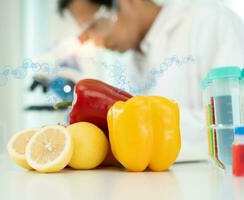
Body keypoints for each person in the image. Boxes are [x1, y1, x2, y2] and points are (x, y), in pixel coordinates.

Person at [57, 0, 244, 161]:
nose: (95, 41)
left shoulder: (211, 22)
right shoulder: (131, 58)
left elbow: (234, 122)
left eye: (96, 24)